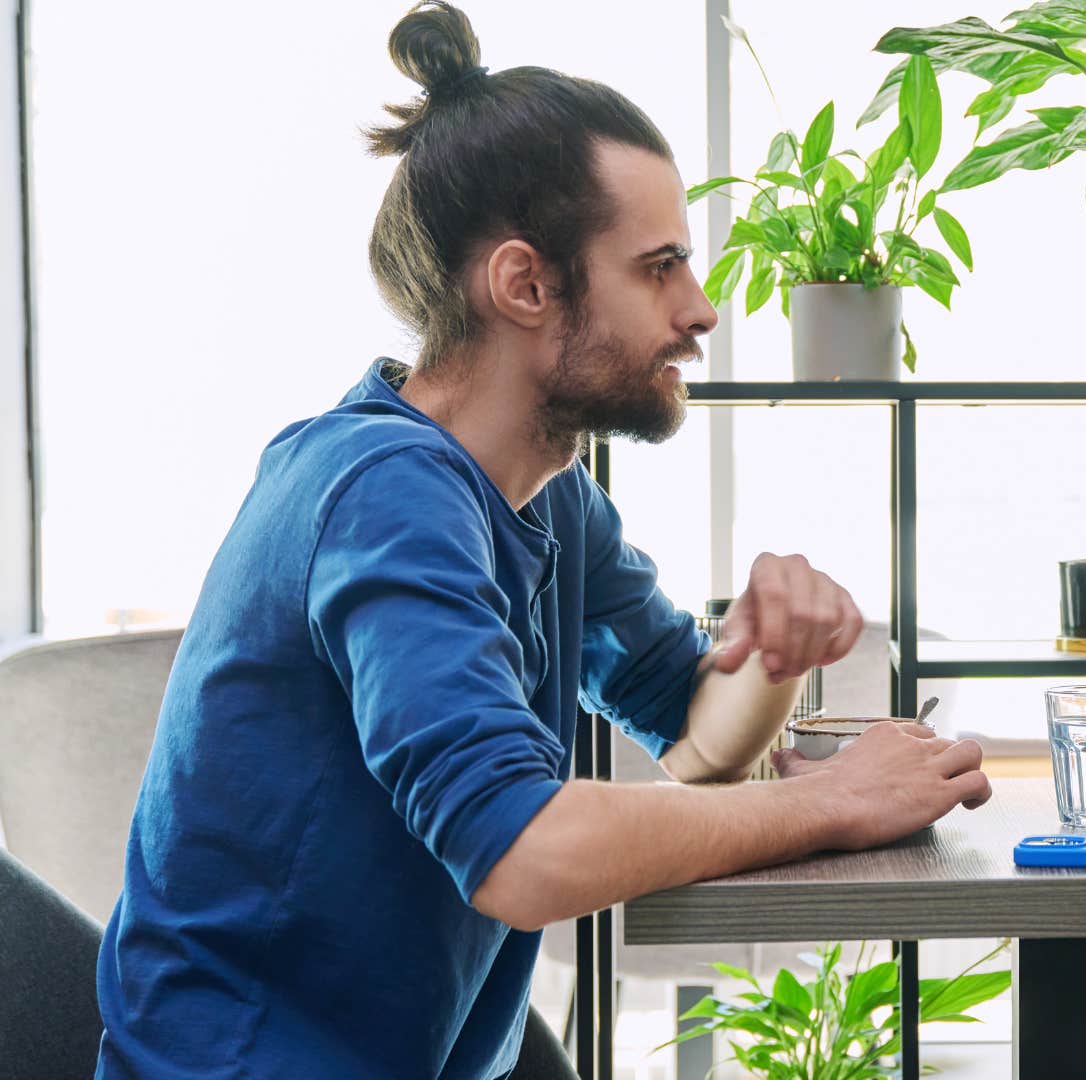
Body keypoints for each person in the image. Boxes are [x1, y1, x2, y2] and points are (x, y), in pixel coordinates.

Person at [93, 4, 990, 1077]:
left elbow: (697, 745)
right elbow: (522, 851)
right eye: (659, 267)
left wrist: (762, 659)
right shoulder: (383, 490)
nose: (701, 310)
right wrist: (830, 801)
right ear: (524, 284)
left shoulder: (549, 498)